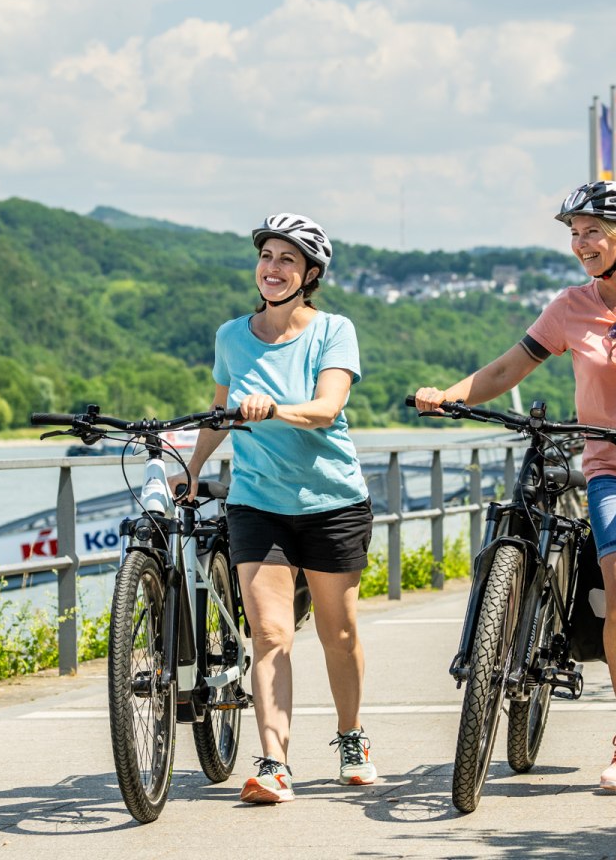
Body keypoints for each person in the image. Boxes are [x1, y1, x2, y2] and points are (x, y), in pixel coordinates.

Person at [414, 181, 616, 793]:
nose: (580, 244)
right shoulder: (570, 307)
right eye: (574, 233)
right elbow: (510, 367)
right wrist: (449, 395)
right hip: (613, 468)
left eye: (593, 232)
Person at [177, 213, 378, 805]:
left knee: (338, 633)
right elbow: (220, 409)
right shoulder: (231, 336)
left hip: (331, 501)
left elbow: (327, 407)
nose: (273, 267)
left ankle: (351, 736)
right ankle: (274, 762)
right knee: (268, 633)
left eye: (287, 259)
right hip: (257, 502)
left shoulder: (333, 331)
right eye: (267, 256)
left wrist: (273, 410)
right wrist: (192, 469)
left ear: (309, 273)